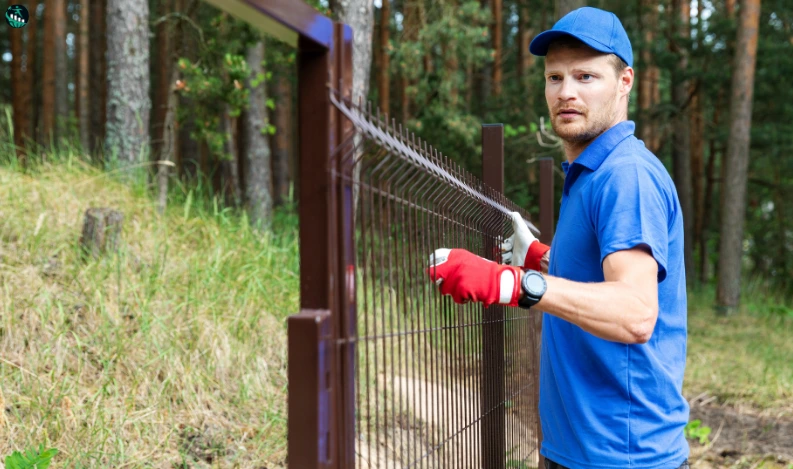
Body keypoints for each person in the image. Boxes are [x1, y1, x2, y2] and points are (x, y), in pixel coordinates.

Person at [427, 7, 689, 469]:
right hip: (579, 448)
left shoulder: (626, 176)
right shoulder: (591, 172)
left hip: (622, 456)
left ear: (625, 81)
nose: (566, 92)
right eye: (555, 78)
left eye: (586, 77)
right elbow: (605, 273)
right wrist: (543, 258)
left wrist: (510, 282)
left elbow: (635, 313)